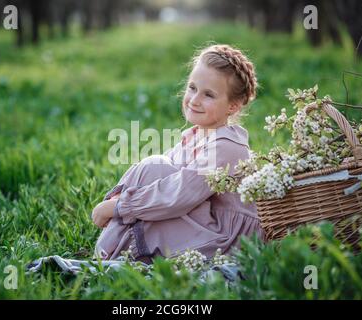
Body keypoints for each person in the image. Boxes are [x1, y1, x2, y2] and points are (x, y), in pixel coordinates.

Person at [92, 44, 265, 264]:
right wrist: (121, 205)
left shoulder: (228, 147)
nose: (194, 100)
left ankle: (107, 253)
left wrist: (120, 207)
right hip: (200, 222)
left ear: (233, 106)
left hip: (227, 239)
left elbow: (179, 194)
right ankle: (109, 251)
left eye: (208, 95)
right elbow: (161, 181)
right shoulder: (193, 136)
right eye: (192, 88)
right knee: (155, 168)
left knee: (154, 168)